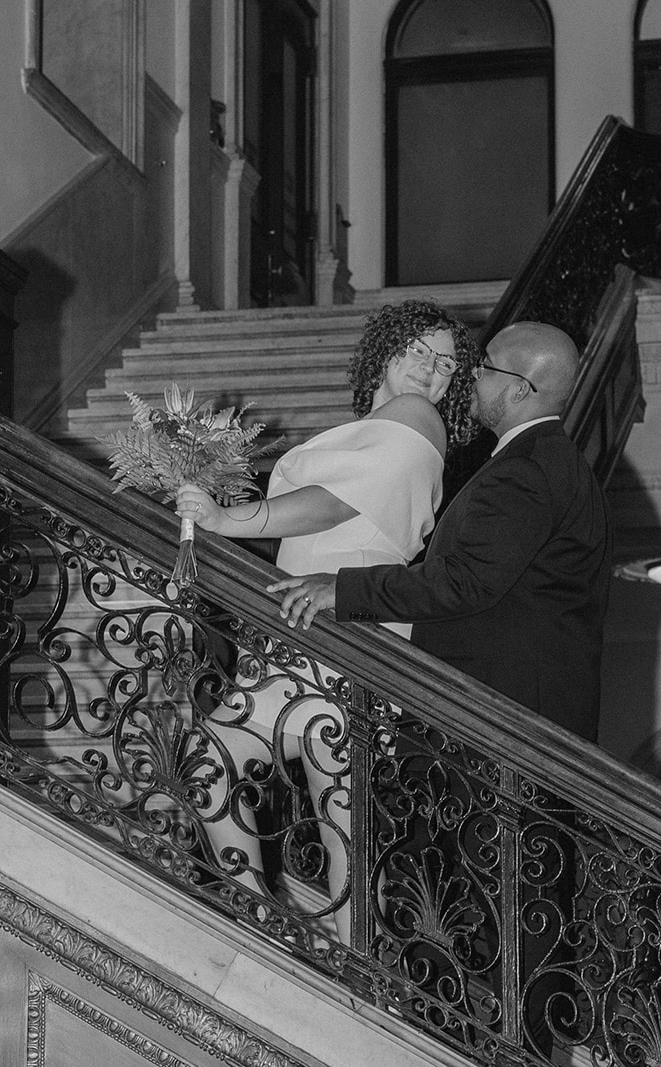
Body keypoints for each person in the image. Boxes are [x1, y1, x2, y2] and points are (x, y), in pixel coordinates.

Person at [173, 299, 481, 943]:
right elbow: (316, 509)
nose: (432, 372)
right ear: (386, 351)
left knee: (331, 799)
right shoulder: (377, 426)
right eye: (419, 352)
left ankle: (342, 962)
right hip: (303, 622)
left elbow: (336, 505)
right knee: (245, 766)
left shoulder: (418, 418)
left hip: (346, 614)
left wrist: (234, 520)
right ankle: (270, 924)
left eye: (448, 365)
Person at [266, 320, 612, 742]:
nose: (472, 375)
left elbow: (466, 580)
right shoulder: (546, 461)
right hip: (514, 715)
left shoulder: (527, 469)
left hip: (508, 725)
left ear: (520, 389)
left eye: (486, 367)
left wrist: (341, 589)